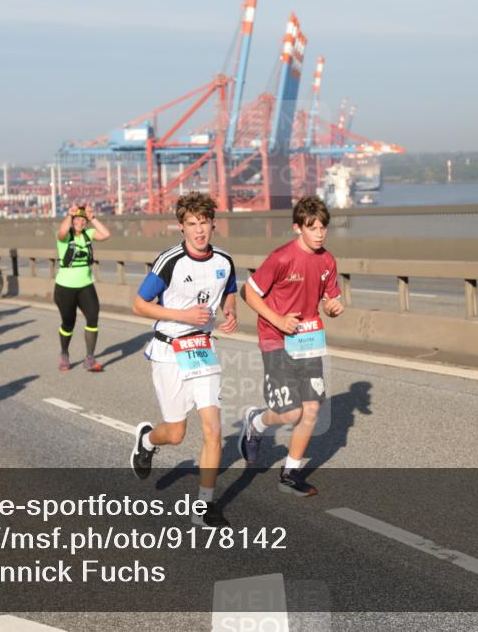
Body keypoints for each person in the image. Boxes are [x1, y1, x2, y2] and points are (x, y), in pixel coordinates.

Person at [130, 194, 238, 527]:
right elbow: (139, 304)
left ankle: (204, 506)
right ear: (181, 227)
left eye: (204, 223)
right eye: (191, 224)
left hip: (202, 348)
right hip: (169, 350)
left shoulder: (224, 260)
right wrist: (183, 315)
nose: (199, 230)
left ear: (213, 224)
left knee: (213, 429)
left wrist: (230, 311)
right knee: (175, 434)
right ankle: (147, 441)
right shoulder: (170, 261)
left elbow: (230, 289)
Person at [238, 195, 344, 497]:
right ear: (298, 228)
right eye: (313, 228)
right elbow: (249, 292)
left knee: (311, 408)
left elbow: (329, 301)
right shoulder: (281, 258)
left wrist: (334, 307)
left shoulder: (327, 260)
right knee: (289, 412)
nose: (320, 233)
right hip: (276, 337)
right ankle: (256, 423)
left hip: (309, 338)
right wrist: (278, 319)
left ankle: (290, 472)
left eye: (323, 227)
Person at [54, 204, 111, 371]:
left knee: (93, 318)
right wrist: (69, 216)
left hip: (86, 285)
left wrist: (92, 217)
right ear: (72, 221)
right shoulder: (65, 237)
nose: (80, 222)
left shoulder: (88, 234)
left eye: (82, 219)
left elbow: (106, 234)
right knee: (68, 322)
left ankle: (90, 358)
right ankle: (64, 353)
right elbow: (62, 232)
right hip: (65, 288)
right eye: (77, 219)